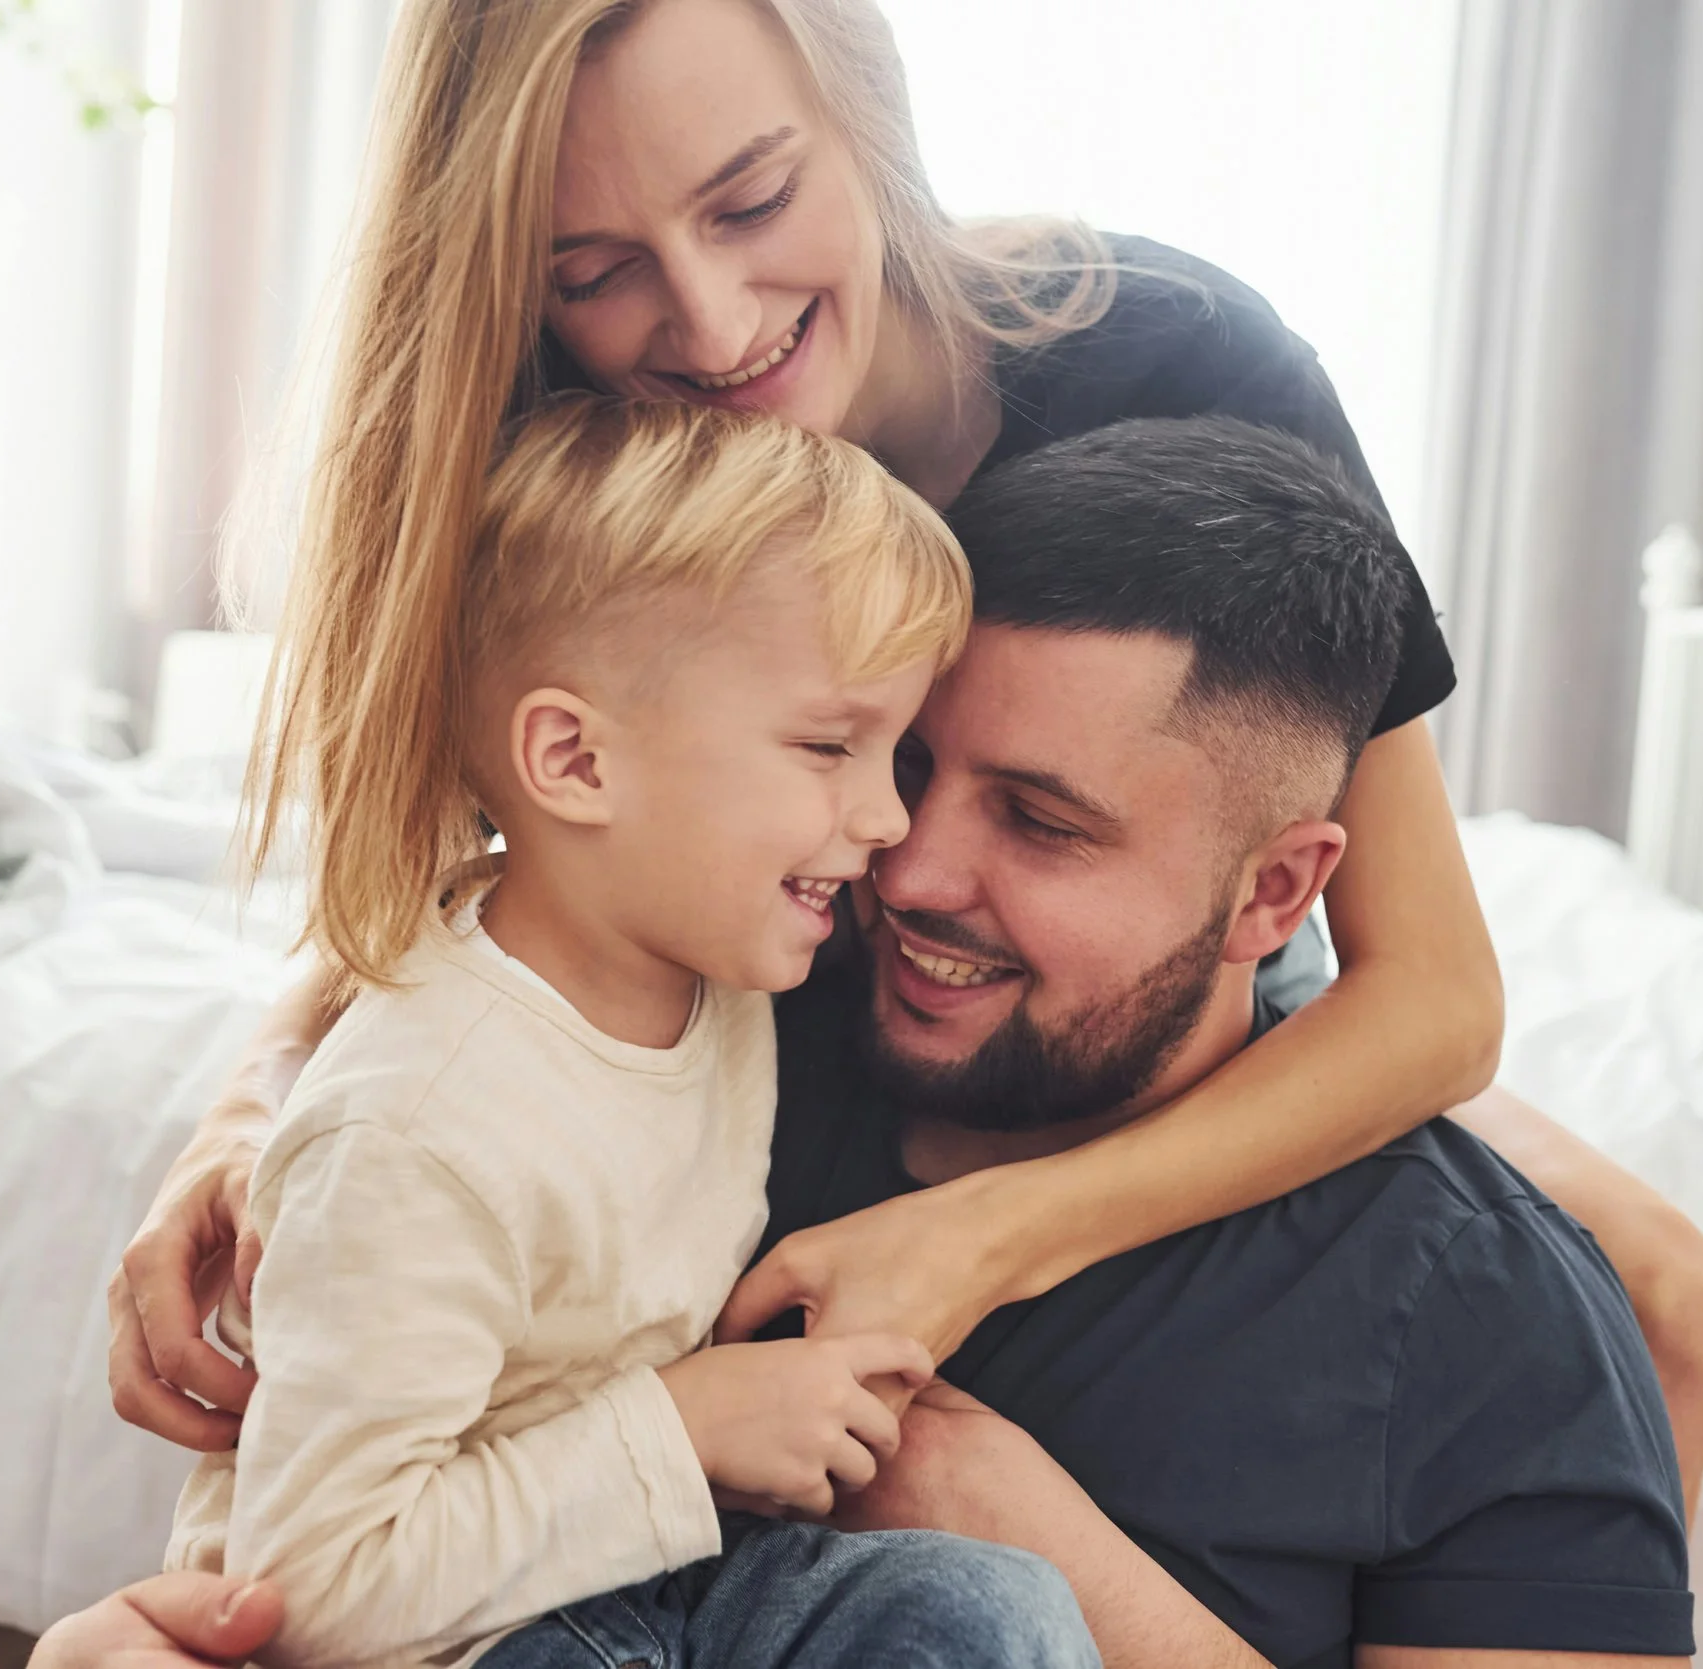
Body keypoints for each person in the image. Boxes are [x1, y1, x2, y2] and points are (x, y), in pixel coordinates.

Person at [108, 0, 1703, 1513]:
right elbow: (479, 867)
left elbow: (1436, 992)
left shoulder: (1178, 366)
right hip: (753, 1012)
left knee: (1658, 1290)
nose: (712, 318)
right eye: (595, 267)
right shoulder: (563, 441)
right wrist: (246, 1109)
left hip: (1123, 1009)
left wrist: (984, 1238)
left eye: (751, 201)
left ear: (860, 105)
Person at [44, 416, 1694, 1669]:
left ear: (1276, 890)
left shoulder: (1487, 1320)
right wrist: (244, 1107)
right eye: (883, 753)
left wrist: (1045, 1552)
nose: (901, 854)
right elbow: (471, 943)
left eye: (1039, 822)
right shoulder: (730, 988)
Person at [161, 396, 1137, 1669]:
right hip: (450, 1635)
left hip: (654, 1569)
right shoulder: (415, 1129)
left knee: (986, 1614)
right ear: (574, 759)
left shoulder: (711, 954)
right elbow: (311, 1588)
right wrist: (678, 1434)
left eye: (890, 751)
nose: (889, 821)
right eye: (829, 745)